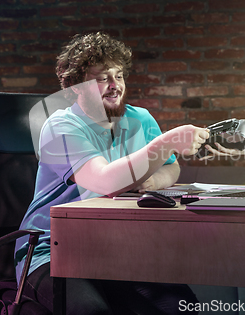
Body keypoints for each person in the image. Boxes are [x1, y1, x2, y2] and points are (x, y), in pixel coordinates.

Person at [14, 32, 209, 314]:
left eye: (118, 76)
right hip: (53, 251)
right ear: (75, 87)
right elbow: (105, 181)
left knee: (184, 308)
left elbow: (171, 166)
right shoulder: (61, 126)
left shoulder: (139, 118)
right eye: (102, 78)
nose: (114, 85)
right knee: (93, 311)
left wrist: (153, 180)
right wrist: (167, 141)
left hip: (117, 250)